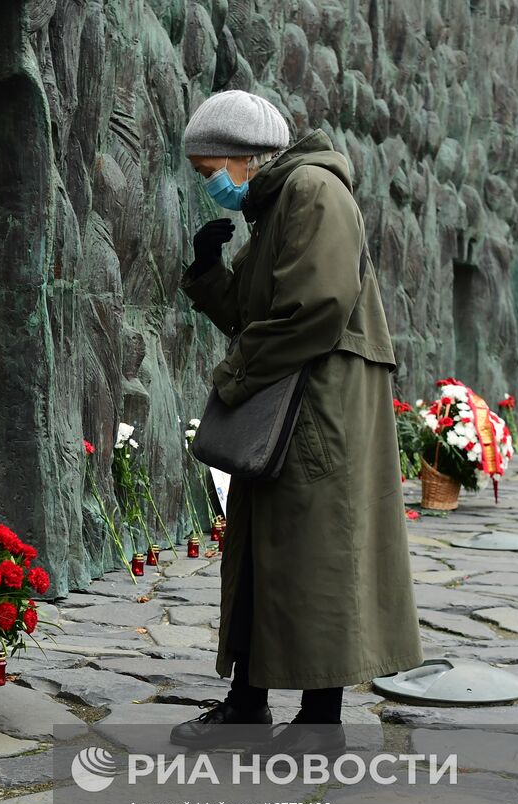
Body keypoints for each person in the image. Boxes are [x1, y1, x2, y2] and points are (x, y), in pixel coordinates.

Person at [171, 90, 422, 754]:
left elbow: (317, 307)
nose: (211, 187)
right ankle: (248, 704)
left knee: (317, 555)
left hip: (320, 403)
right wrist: (207, 276)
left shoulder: (312, 191)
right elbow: (262, 314)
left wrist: (234, 377)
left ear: (245, 156)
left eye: (210, 172)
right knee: (265, 549)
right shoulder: (279, 203)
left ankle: (318, 724)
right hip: (291, 399)